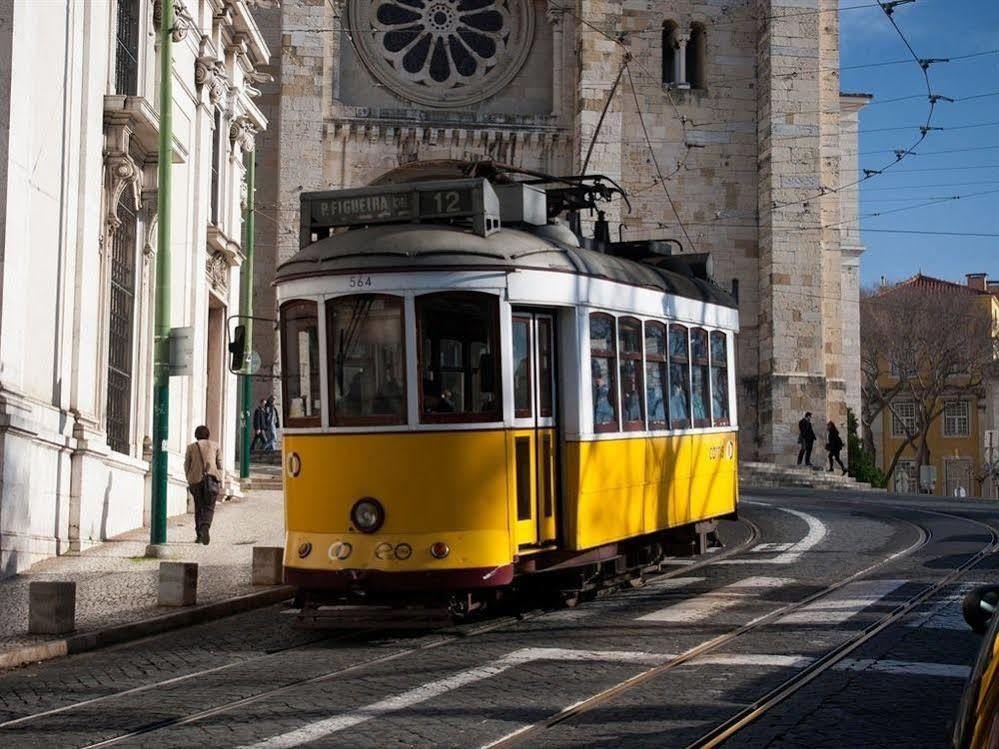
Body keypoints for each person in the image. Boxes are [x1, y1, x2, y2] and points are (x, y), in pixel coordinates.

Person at [184, 425, 223, 545]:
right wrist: (218, 477)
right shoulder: (215, 446)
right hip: (211, 479)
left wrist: (189, 478)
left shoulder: (191, 447)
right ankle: (205, 526)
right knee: (209, 507)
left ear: (196, 435)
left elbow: (187, 465)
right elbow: (220, 465)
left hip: (195, 481)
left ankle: (199, 535)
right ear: (208, 435)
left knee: (198, 507)